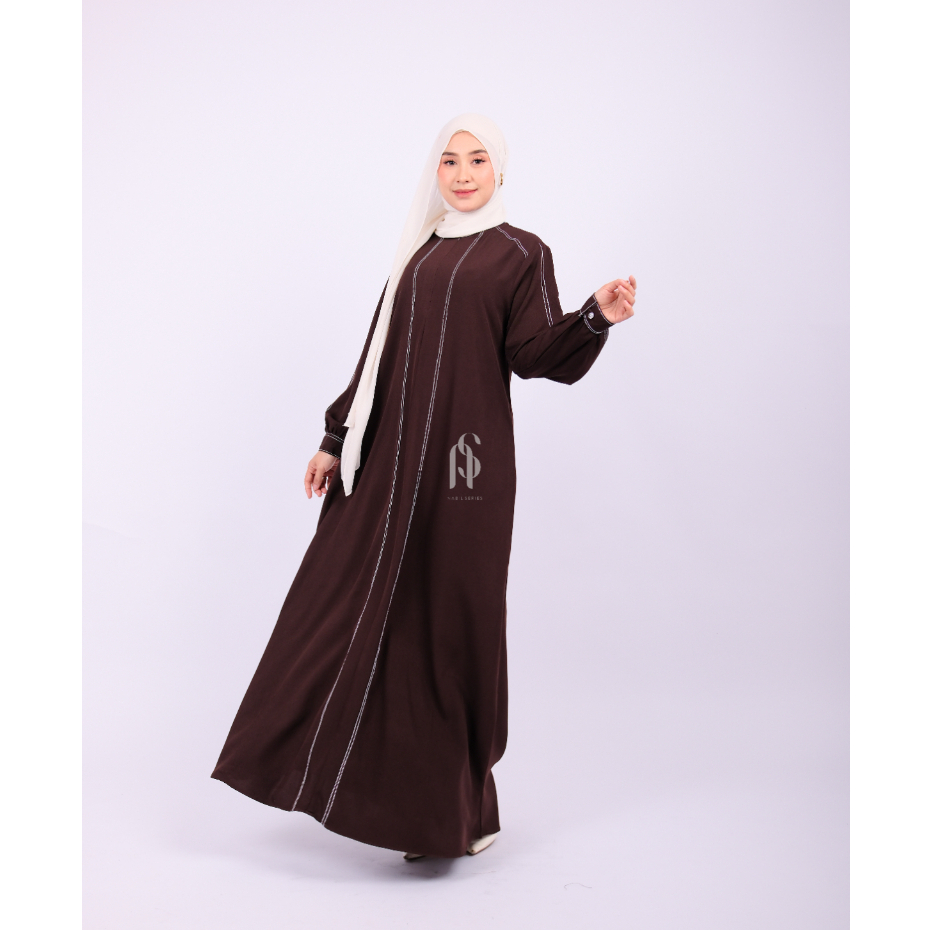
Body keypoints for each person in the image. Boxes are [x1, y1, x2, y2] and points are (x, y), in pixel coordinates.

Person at [211, 114, 637, 860]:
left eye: (477, 160)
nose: (462, 174)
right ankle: (364, 794)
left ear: (499, 170)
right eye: (448, 160)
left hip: (466, 471)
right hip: (388, 466)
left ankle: (458, 813)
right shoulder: (421, 249)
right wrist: (335, 438)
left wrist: (593, 318)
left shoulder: (521, 253)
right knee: (345, 607)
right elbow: (379, 350)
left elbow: (534, 353)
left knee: (449, 627)